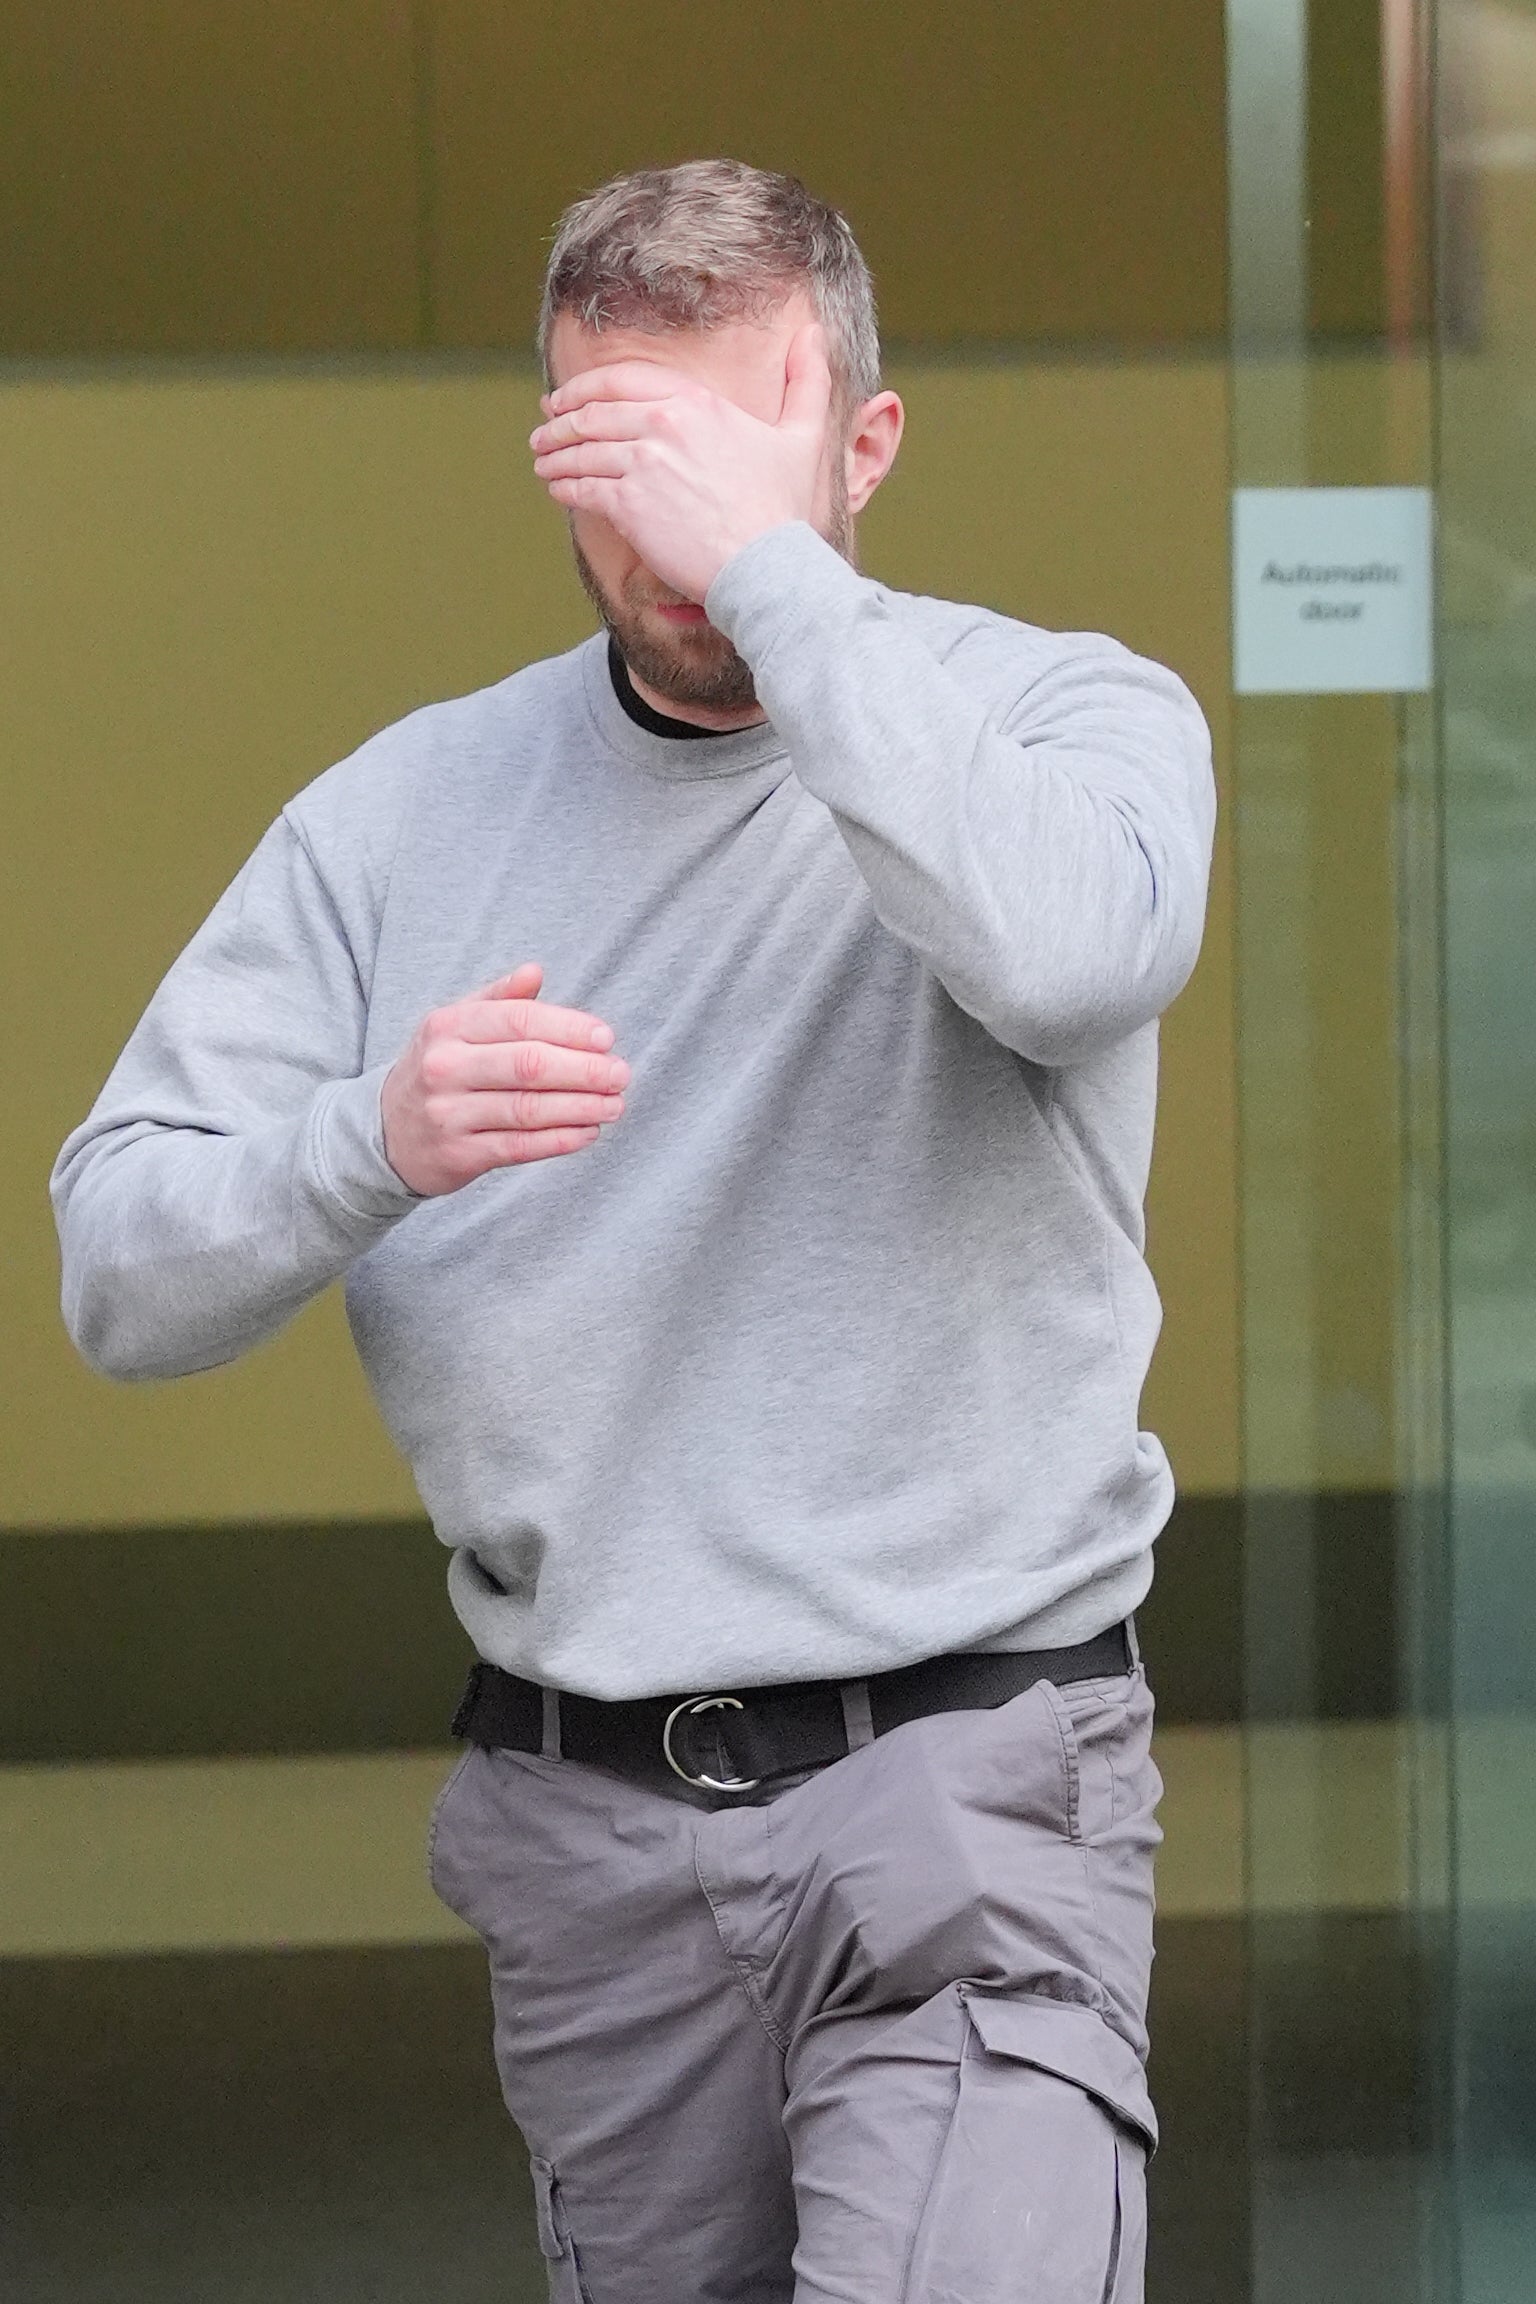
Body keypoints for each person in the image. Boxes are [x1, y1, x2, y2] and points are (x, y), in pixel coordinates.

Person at [52, 159, 1215, 2303]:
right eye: (614, 453)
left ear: (862, 442)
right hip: (593, 1835)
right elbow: (115, 1274)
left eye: (718, 451)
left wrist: (777, 579)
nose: (661, 528)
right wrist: (363, 1141)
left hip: (970, 1789)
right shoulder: (399, 820)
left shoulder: (1063, 723)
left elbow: (1062, 959)